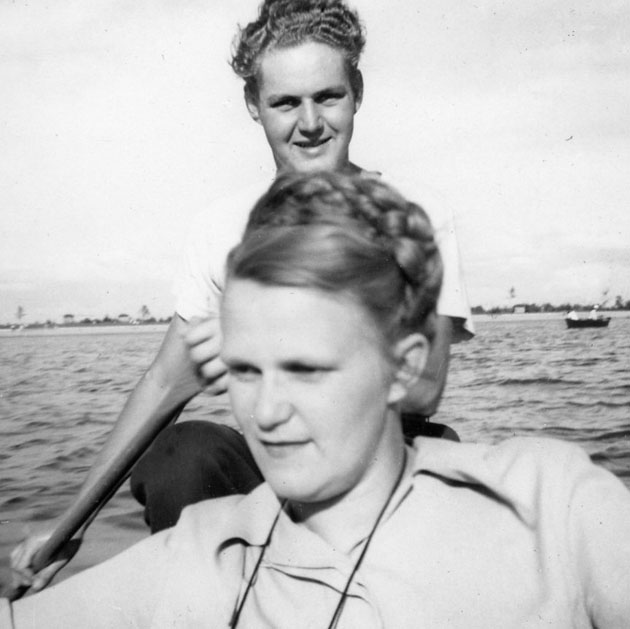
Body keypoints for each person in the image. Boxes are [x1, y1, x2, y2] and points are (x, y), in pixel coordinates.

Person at [3, 171, 629, 628]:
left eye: (307, 368)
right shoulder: (201, 554)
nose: (267, 413)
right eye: (244, 370)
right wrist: (59, 535)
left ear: (401, 365)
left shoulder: (551, 504)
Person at [10, 0, 473, 592]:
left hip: (383, 463)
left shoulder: (418, 212)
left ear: (357, 91)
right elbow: (163, 385)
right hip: (278, 463)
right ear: (254, 106)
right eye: (285, 102)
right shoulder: (220, 227)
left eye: (328, 96)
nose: (310, 123)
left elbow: (426, 386)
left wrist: (265, 340)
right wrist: (64, 531)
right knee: (183, 452)